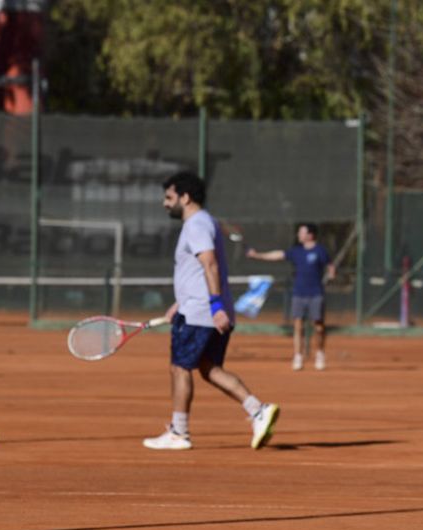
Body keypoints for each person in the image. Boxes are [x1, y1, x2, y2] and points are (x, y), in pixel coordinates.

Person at [144, 171, 280, 451]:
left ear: (185, 197)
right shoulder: (205, 223)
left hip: (201, 313)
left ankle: (179, 433)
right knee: (209, 368)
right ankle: (258, 410)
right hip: (201, 308)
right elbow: (198, 271)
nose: (165, 203)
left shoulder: (196, 224)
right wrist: (180, 302)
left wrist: (214, 306)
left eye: (169, 197)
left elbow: (210, 264)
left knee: (180, 367)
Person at [246, 223, 336, 370]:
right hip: (298, 293)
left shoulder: (320, 251)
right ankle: (298, 356)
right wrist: (258, 255)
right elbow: (278, 255)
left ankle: (320, 354)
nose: (299, 235)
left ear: (310, 235)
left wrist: (331, 274)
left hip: (316, 293)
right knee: (298, 326)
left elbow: (330, 264)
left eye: (302, 232)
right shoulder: (296, 251)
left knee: (319, 327)